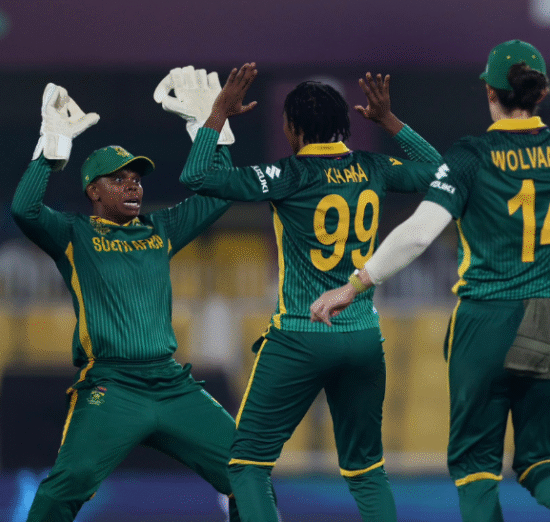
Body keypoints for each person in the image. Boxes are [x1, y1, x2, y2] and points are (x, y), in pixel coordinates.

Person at [311, 37, 550, 522]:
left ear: (490, 93)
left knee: (476, 466)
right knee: (542, 460)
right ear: (540, 93)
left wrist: (355, 285)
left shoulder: (472, 155)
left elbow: (419, 233)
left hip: (486, 319)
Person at [169, 63, 445, 521]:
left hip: (300, 334)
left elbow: (197, 176)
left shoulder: (286, 174)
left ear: (292, 128)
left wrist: (217, 114)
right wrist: (390, 121)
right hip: (362, 335)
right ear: (344, 125)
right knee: (366, 471)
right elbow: (441, 173)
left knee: (248, 465)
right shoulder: (374, 167)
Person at [12, 71, 243, 522]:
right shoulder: (73, 233)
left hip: (171, 384)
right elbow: (24, 209)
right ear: (93, 191)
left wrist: (211, 128)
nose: (133, 185)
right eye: (118, 179)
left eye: (136, 178)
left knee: (247, 468)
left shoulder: (160, 228)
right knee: (68, 485)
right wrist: (50, 151)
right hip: (111, 386)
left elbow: (220, 194)